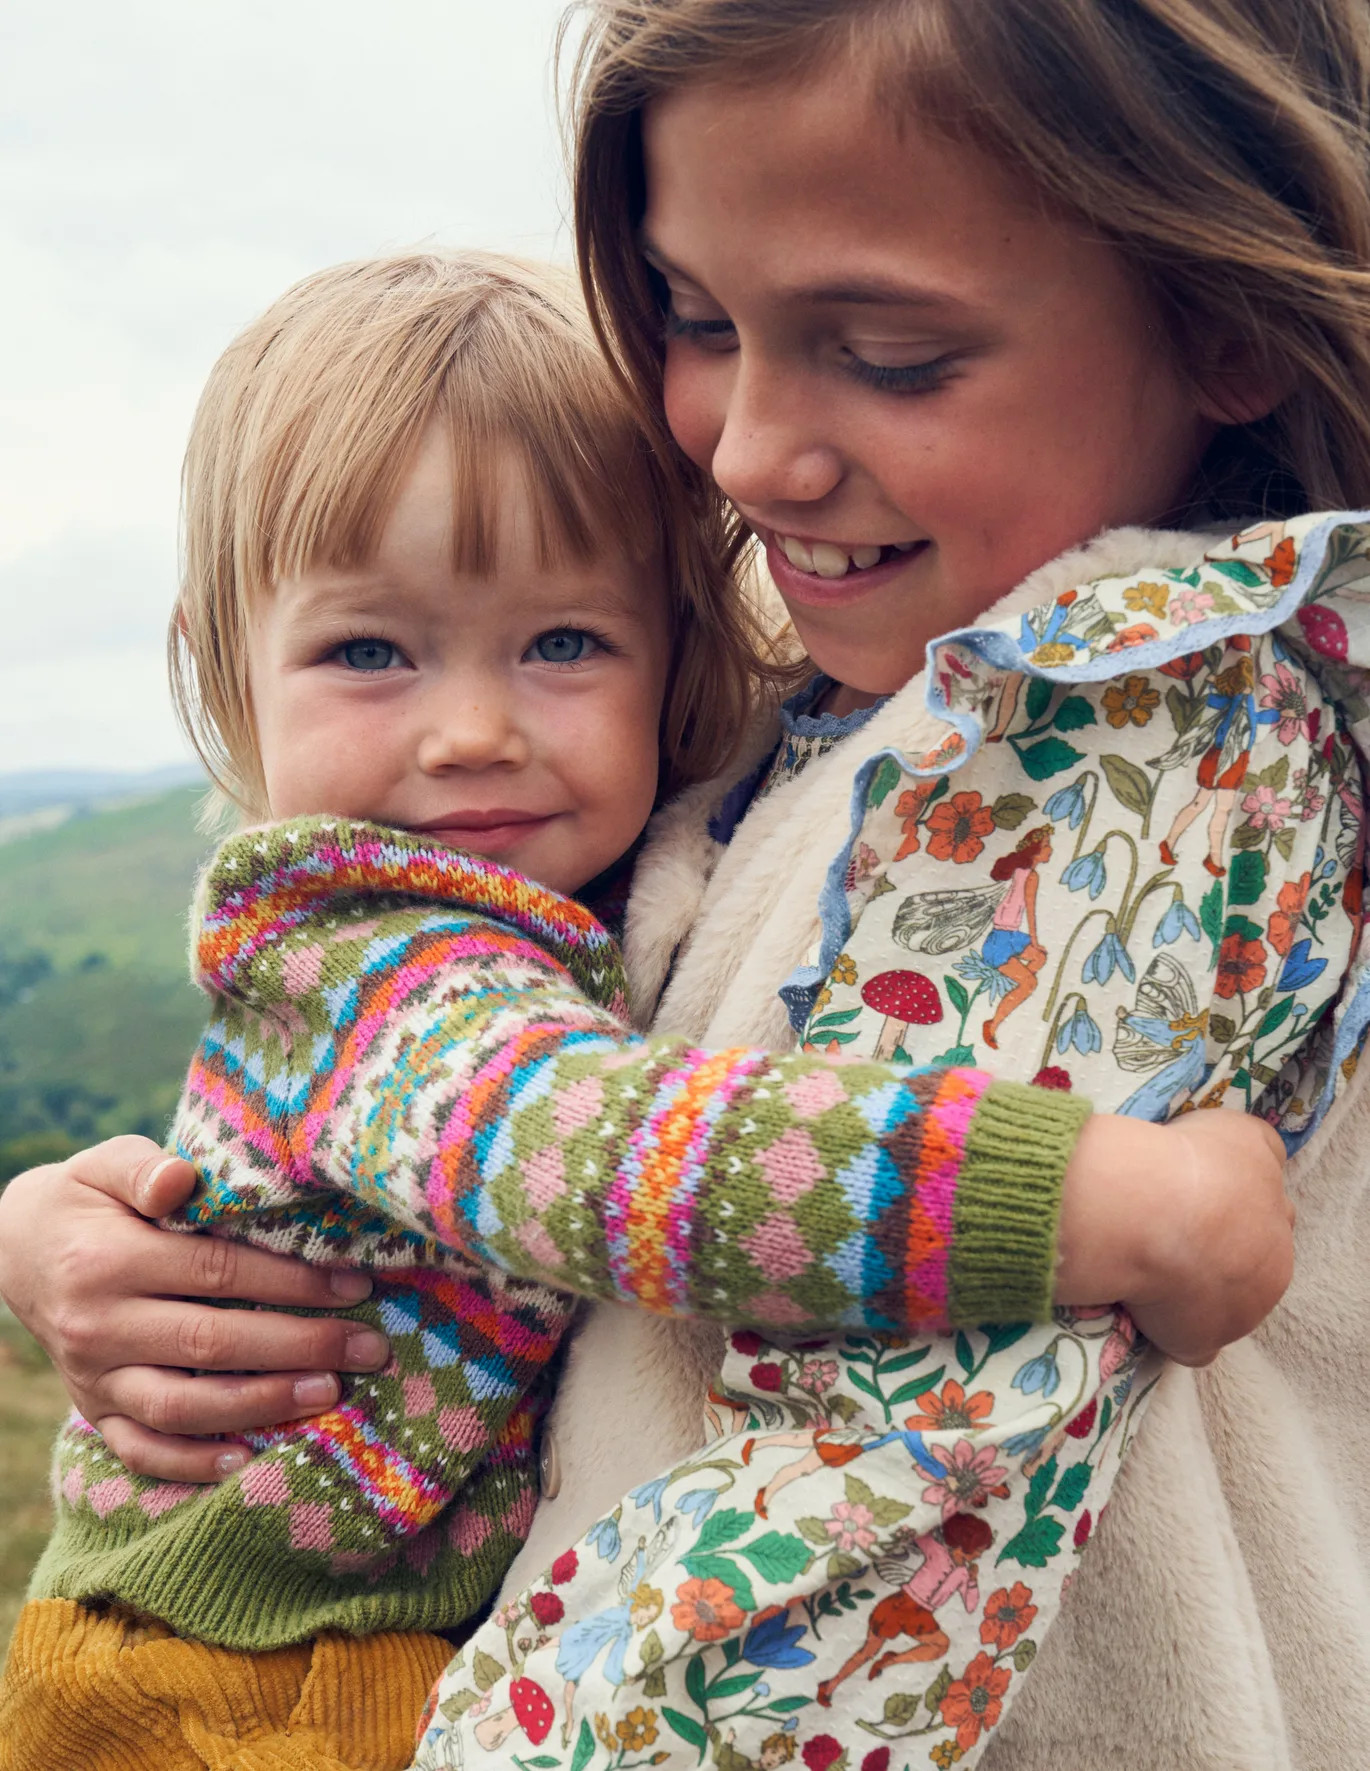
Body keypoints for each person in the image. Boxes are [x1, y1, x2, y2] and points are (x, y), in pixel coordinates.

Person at [6, 0, 1370, 1760]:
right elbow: (573, 1137)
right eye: (697, 320)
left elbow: (829, 1516)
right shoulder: (822, 723)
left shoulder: (1116, 739)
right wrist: (1106, 1203)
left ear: (1226, 323)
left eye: (885, 350)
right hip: (244, 1675)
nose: (739, 456)